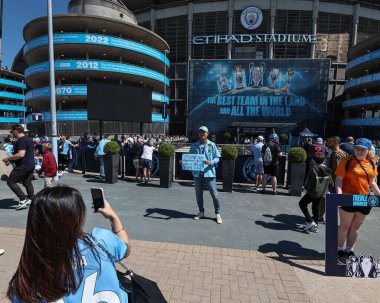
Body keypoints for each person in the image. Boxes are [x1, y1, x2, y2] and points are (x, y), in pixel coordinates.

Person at [7, 186, 130, 303]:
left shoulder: (24, 282)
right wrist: (113, 217)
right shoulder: (101, 240)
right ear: (79, 216)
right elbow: (125, 248)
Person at [335, 138, 380, 265]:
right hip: (348, 198)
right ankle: (339, 250)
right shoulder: (347, 161)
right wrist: (339, 195)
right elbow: (339, 179)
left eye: (362, 149)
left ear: (368, 150)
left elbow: (372, 183)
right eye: (357, 148)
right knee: (345, 225)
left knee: (355, 227)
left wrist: (379, 195)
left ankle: (349, 250)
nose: (359, 151)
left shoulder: (371, 162)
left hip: (364, 199)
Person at [188, 126, 222, 224]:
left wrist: (210, 162)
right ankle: (201, 212)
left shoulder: (212, 145)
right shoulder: (194, 145)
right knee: (199, 195)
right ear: (199, 134)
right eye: (201, 132)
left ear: (207, 134)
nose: (202, 134)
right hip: (198, 175)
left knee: (215, 195)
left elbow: (217, 157)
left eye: (204, 132)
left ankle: (218, 213)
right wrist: (185, 162)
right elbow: (190, 158)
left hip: (209, 174)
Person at [2, 124, 35, 210]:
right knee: (27, 181)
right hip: (30, 164)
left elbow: (21, 154)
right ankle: (31, 199)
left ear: (16, 131)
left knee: (11, 181)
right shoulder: (29, 139)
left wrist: (7, 158)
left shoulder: (21, 140)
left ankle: (23, 199)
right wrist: (11, 160)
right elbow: (26, 154)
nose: (11, 133)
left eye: (12, 131)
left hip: (23, 166)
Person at [298, 152, 333, 233]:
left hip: (313, 192)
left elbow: (309, 182)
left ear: (313, 161)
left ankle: (310, 221)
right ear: (324, 160)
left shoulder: (314, 170)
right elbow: (331, 183)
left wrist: (305, 190)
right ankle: (315, 226)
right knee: (315, 208)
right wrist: (327, 191)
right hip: (322, 192)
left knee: (302, 204)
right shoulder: (328, 170)